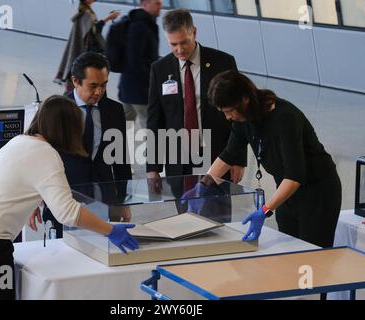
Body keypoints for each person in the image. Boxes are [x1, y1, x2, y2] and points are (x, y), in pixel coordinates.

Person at [0, 95, 138, 300]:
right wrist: (109, 230)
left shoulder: (19, 141)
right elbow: (68, 213)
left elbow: (14, 182)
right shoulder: (46, 153)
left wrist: (36, 200)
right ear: (66, 128)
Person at [189, 70, 341, 248]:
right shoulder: (243, 119)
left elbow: (295, 175)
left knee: (311, 258)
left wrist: (264, 210)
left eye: (229, 111)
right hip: (287, 193)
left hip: (317, 193)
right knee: (288, 252)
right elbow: (229, 155)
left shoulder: (285, 119)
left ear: (244, 99)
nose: (228, 117)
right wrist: (203, 186)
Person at [146, 9, 238, 220]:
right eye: (173, 44)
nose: (179, 49)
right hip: (179, 159)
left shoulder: (223, 63)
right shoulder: (160, 69)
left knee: (219, 218)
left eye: (184, 42)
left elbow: (238, 117)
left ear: (194, 32)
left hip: (216, 155)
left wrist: (238, 159)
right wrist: (153, 167)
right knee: (186, 218)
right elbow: (155, 120)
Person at [30, 52, 132, 237]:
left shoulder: (114, 110)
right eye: (93, 86)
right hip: (65, 199)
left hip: (104, 198)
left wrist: (122, 201)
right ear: (76, 81)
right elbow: (37, 157)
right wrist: (33, 200)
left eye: (103, 85)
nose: (99, 91)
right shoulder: (54, 111)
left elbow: (120, 159)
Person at [54, 0, 120, 92]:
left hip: (83, 48)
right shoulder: (86, 13)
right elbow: (94, 30)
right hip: (86, 49)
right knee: (83, 75)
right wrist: (109, 18)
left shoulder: (84, 10)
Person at [119, 0, 162, 130]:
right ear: (145, 4)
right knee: (149, 124)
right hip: (140, 89)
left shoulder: (145, 23)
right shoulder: (140, 26)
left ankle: (112, 147)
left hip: (130, 87)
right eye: (156, 3)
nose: (160, 6)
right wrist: (151, 79)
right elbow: (135, 59)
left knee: (125, 122)